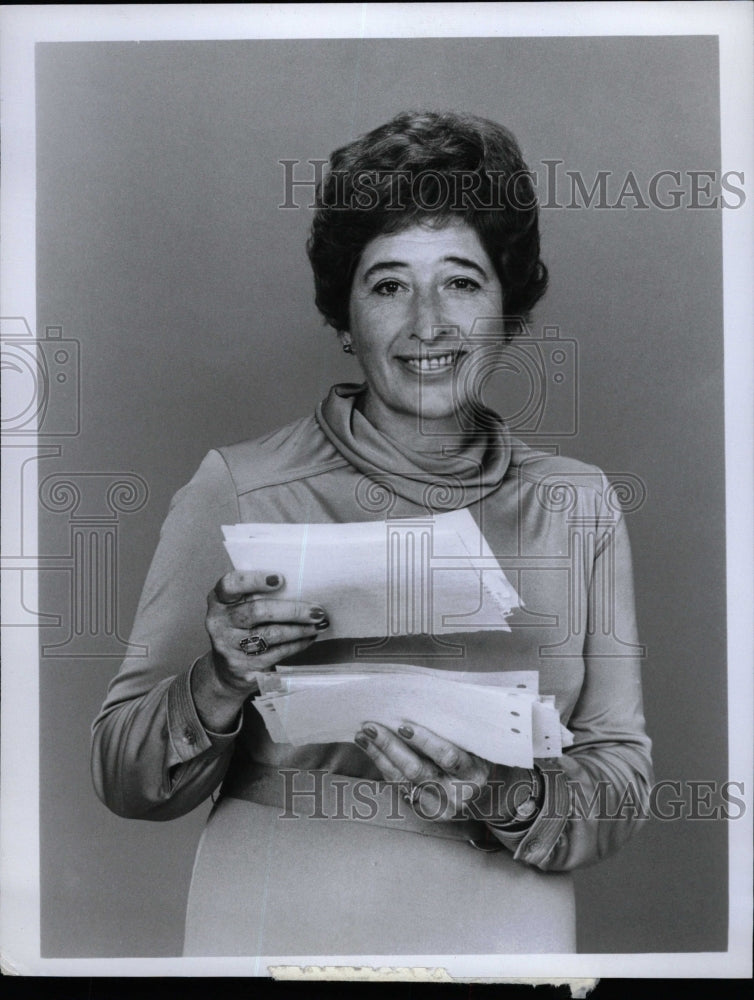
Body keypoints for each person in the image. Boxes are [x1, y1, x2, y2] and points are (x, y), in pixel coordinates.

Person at [91, 110, 653, 955]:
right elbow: (124, 776)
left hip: (507, 932)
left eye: (461, 282)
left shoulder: (579, 505)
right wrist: (219, 677)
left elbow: (622, 776)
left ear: (509, 305)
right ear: (345, 319)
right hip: (276, 918)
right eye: (389, 284)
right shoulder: (240, 487)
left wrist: (506, 794)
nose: (428, 322)